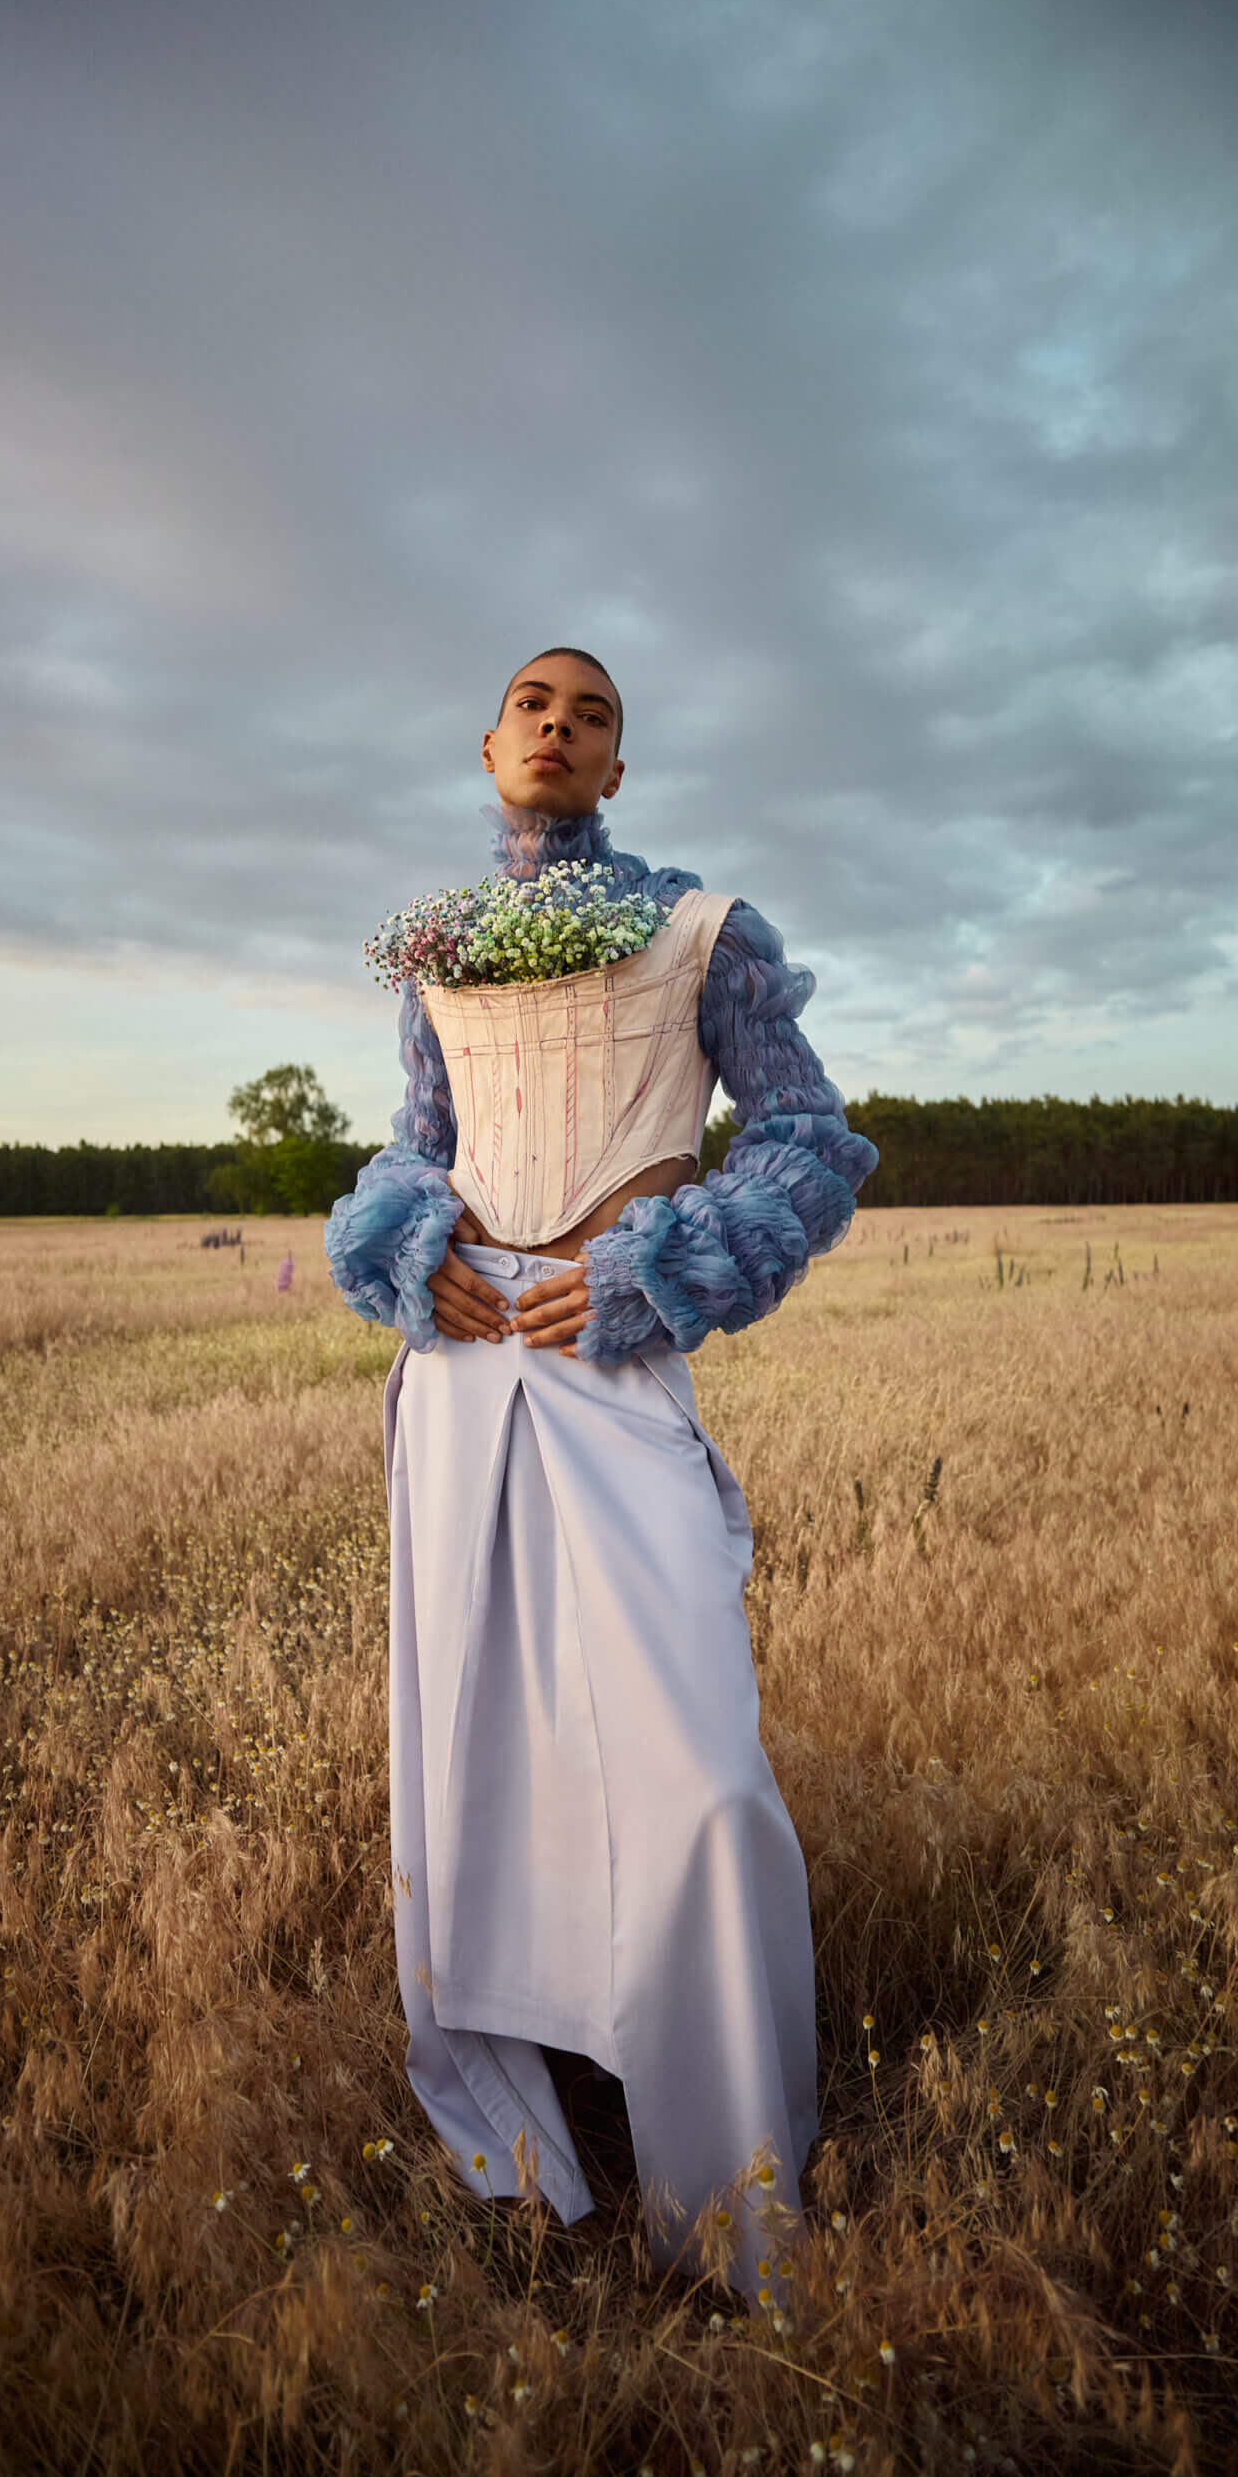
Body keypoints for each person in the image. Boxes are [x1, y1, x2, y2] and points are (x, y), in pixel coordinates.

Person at [324, 648, 876, 2297]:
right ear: (488, 747)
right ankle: (524, 2112)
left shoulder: (706, 932)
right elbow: (412, 1155)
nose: (560, 725)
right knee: (478, 1755)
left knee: (697, 1772)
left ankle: (730, 2187)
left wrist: (663, 1269)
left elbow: (804, 1144)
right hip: (458, 1387)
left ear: (619, 770)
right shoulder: (428, 953)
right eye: (532, 705)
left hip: (612, 1372)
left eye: (597, 713)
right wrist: (404, 1252)